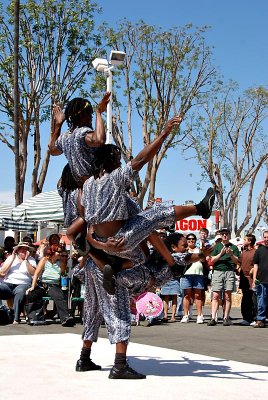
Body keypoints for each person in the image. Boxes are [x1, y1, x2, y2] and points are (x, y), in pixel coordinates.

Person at [80, 118, 215, 284]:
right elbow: (141, 159)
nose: (120, 162)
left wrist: (103, 246)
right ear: (108, 160)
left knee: (141, 249)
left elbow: (89, 227)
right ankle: (200, 209)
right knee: (155, 213)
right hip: (121, 239)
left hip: (106, 244)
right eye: (117, 159)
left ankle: (117, 269)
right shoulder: (115, 178)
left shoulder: (87, 186)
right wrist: (164, 134)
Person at [26, 244, 74, 327]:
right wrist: (33, 286)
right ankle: (34, 317)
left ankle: (65, 318)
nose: (60, 254)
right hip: (42, 284)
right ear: (52, 252)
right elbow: (36, 274)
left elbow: (63, 274)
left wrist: (65, 266)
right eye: (58, 252)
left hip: (53, 285)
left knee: (59, 296)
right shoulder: (44, 260)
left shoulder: (61, 263)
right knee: (32, 294)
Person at [207, 227, 240, 327]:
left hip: (229, 271)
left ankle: (226, 317)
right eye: (223, 234)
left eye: (226, 234)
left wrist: (230, 255)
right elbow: (212, 260)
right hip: (217, 271)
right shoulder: (216, 247)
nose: (224, 235)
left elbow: (237, 261)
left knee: (227, 296)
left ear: (229, 235)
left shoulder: (234, 247)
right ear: (221, 236)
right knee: (216, 295)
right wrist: (220, 254)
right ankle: (213, 317)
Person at [0, 242, 36, 324]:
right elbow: (3, 272)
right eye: (22, 249)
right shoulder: (11, 258)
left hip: (23, 283)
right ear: (17, 250)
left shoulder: (31, 260)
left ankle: (15, 318)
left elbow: (33, 273)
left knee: (20, 292)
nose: (24, 250)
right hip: (8, 284)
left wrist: (26, 261)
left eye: (26, 249)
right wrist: (12, 258)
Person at [180, 233, 207, 324]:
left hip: (198, 274)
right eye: (189, 239)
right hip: (186, 274)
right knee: (186, 295)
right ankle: (185, 315)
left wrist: (202, 253)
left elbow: (203, 260)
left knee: (197, 295)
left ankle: (199, 315)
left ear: (195, 240)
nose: (191, 241)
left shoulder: (199, 250)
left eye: (193, 239)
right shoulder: (184, 250)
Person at [238, 234, 256, 326]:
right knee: (245, 298)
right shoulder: (243, 253)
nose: (243, 241)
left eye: (245, 239)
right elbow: (238, 263)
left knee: (253, 299)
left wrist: (253, 270)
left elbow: (258, 265)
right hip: (243, 279)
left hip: (252, 279)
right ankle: (246, 318)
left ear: (249, 241)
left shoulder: (256, 252)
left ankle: (254, 318)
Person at [252, 230, 268, 328]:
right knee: (261, 300)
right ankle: (260, 319)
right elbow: (255, 265)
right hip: (262, 280)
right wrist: (254, 279)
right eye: (265, 237)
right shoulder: (259, 250)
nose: (266, 239)